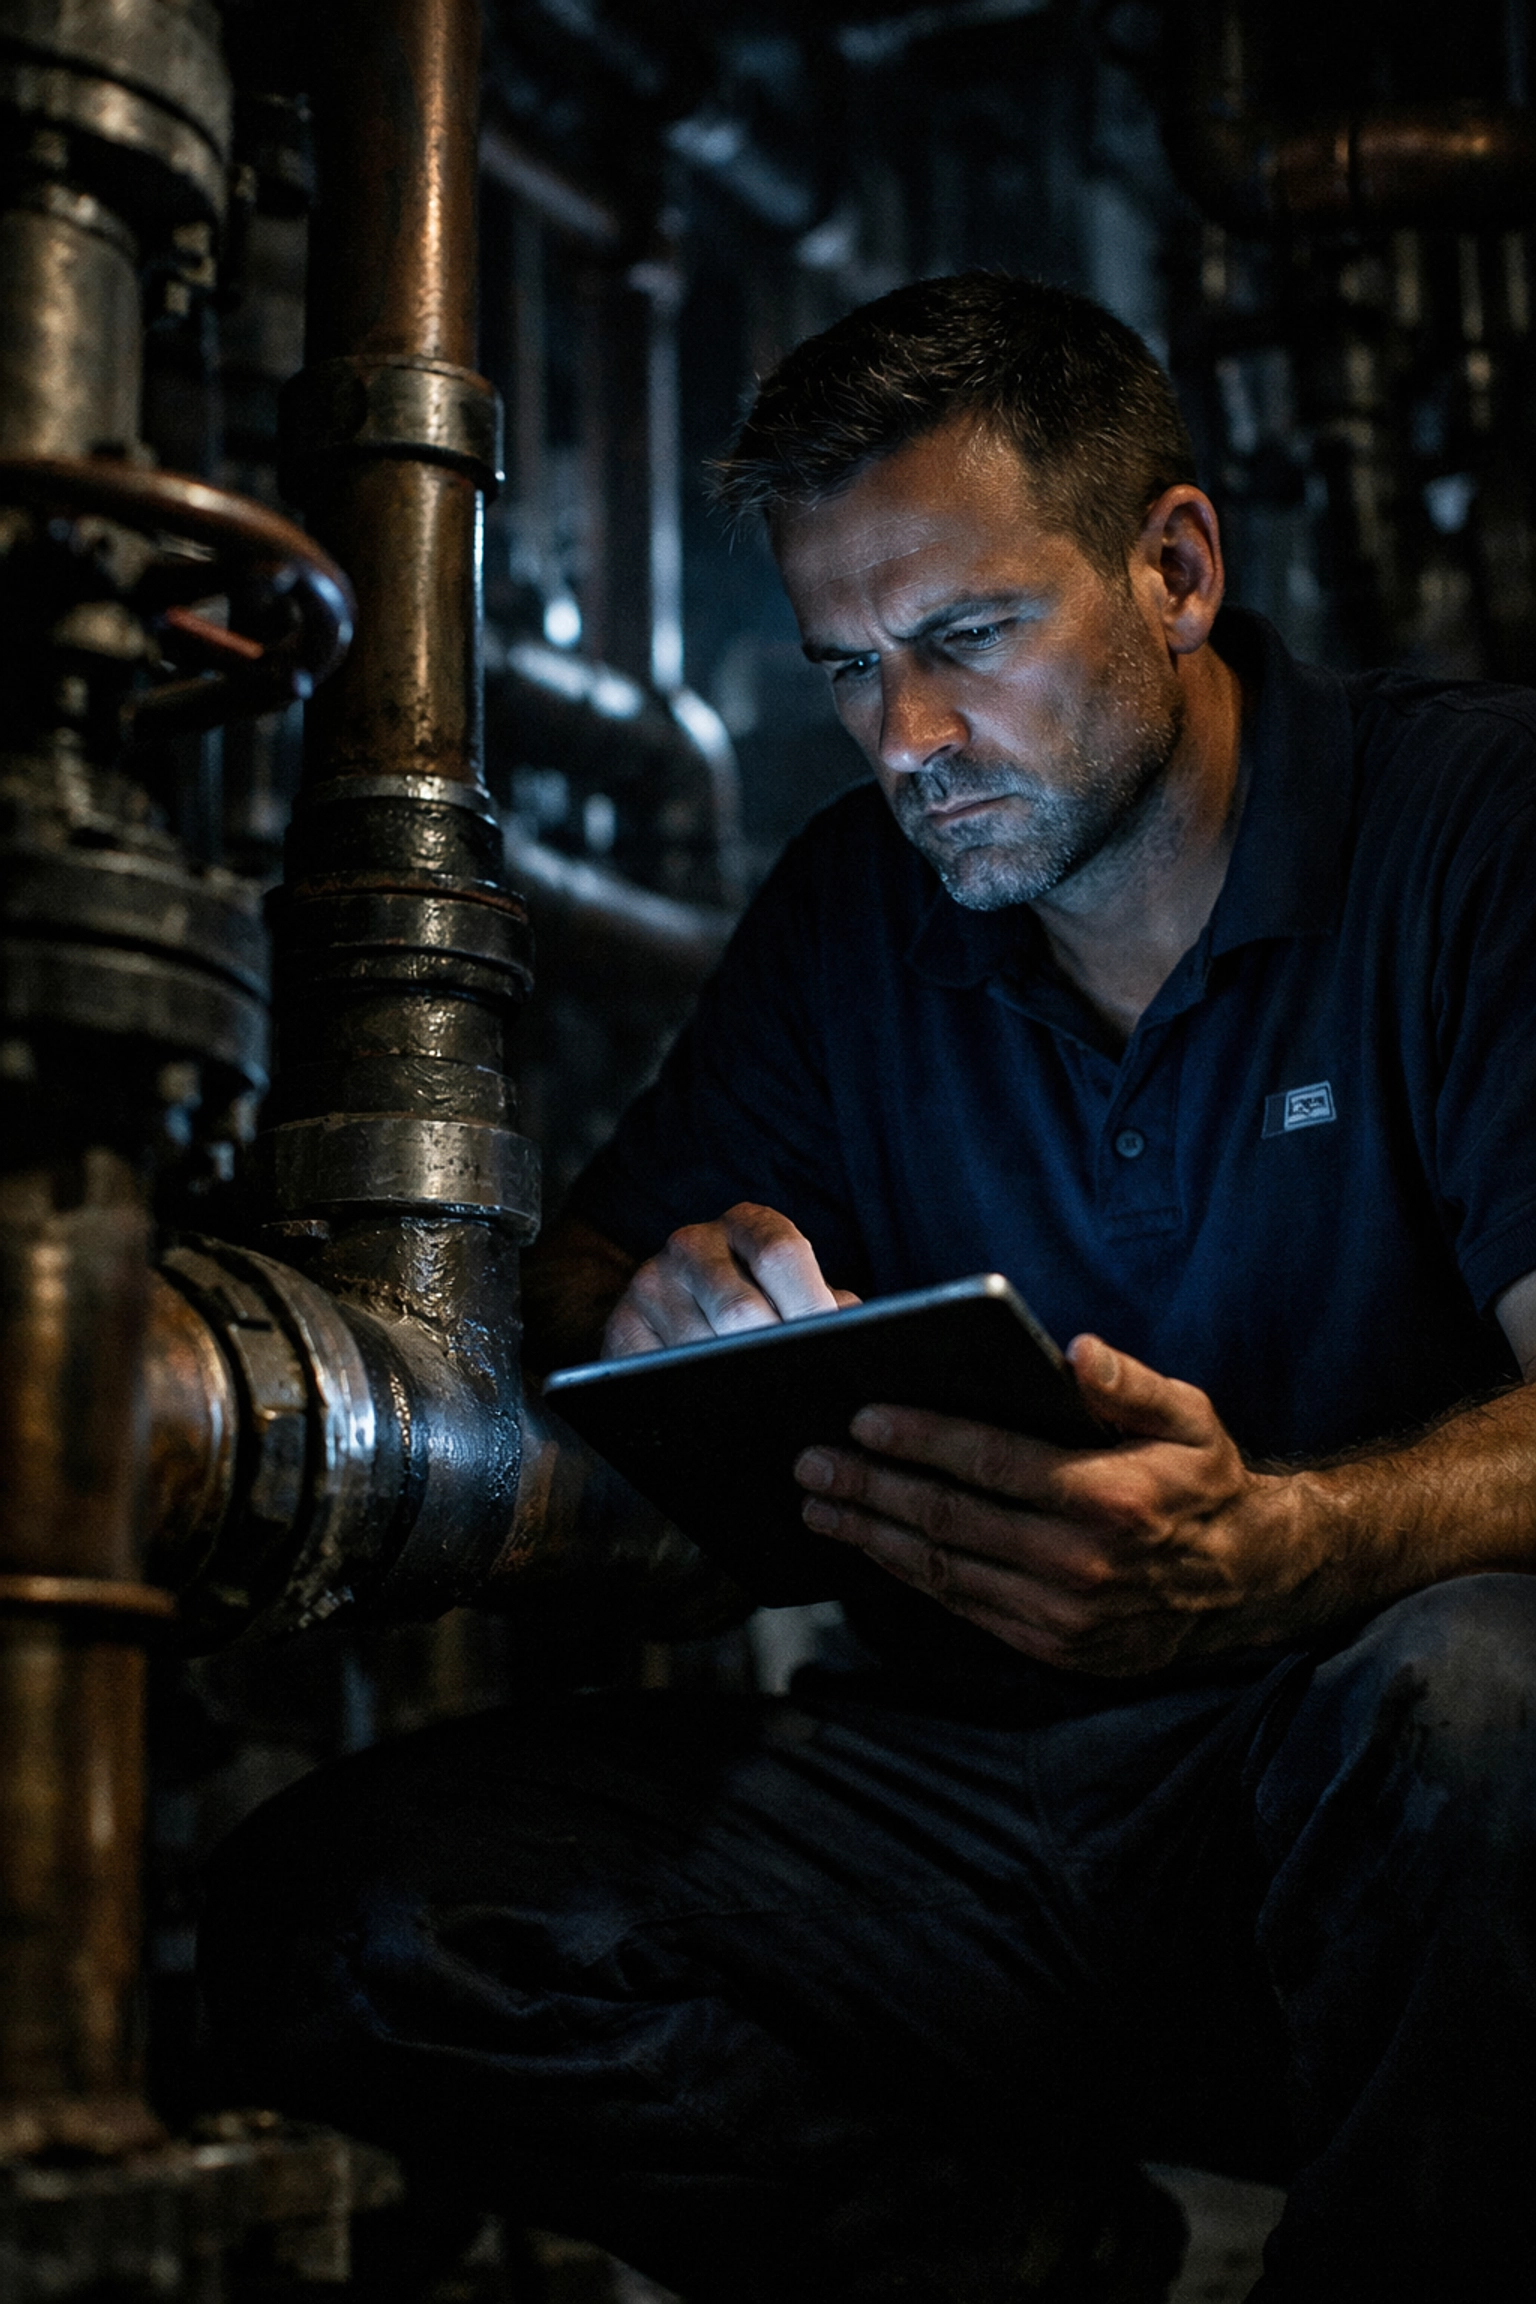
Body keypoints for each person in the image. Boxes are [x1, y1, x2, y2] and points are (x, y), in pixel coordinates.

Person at [201, 274, 1536, 2303]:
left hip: (1367, 1820)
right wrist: (652, 1294)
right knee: (351, 1912)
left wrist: (1281, 1548)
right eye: (847, 671)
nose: (906, 742)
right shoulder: (860, 911)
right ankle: (1029, 2265)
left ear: (1172, 569)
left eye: (966, 641)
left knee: (1482, 1710)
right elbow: (569, 1279)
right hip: (986, 1812)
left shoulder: (1473, 835)